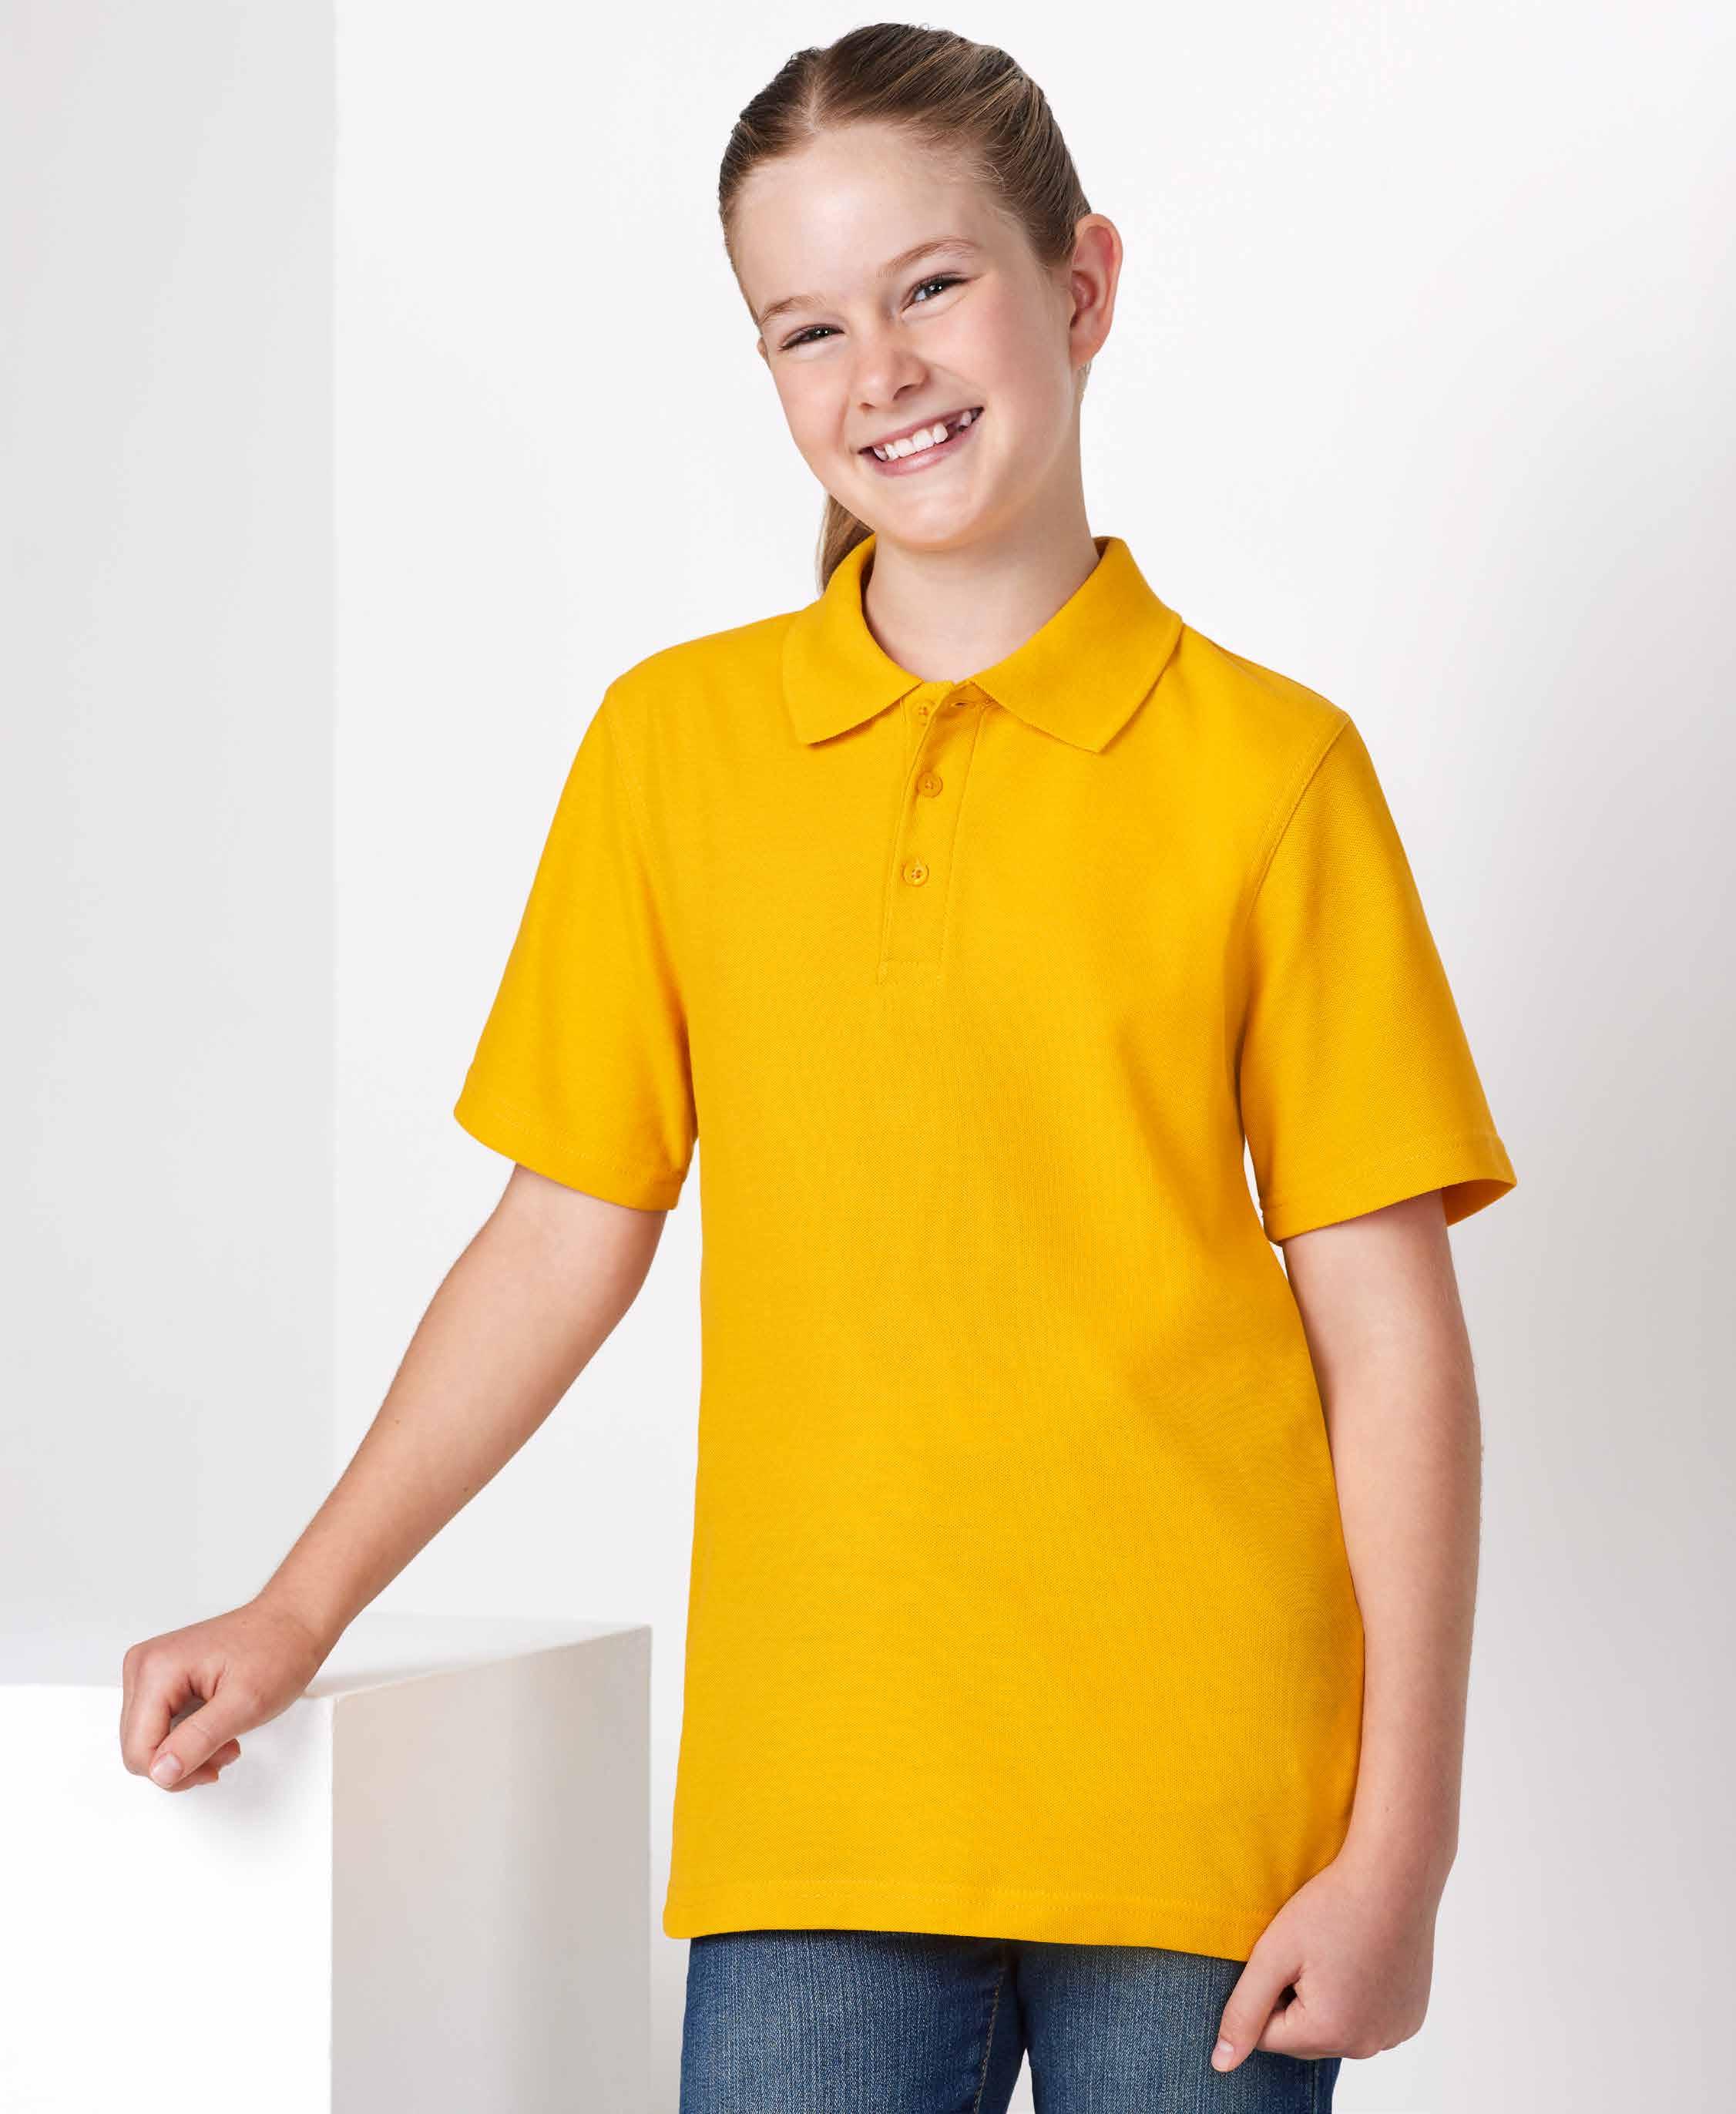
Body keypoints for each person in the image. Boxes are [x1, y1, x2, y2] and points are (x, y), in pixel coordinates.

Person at [119, 21, 1519, 2112]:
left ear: (1081, 283)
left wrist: (1403, 1846)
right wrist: (298, 1608)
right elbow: (561, 1234)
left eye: (932, 284)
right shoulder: (672, 754)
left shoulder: (1276, 775)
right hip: (820, 1795)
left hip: (1213, 1807)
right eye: (807, 327)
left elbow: (1390, 1345)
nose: (882, 371)